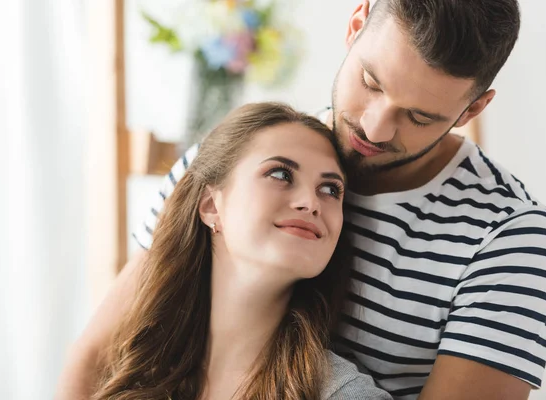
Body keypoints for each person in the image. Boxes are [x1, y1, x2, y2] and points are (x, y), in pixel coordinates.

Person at [56, 1, 546, 399]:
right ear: (356, 23)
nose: (375, 128)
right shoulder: (226, 161)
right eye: (370, 82)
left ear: (473, 108)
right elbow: (99, 358)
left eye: (419, 117)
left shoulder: (512, 239)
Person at [89, 102, 392, 400]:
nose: (310, 203)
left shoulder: (344, 394)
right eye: (281, 174)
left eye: (330, 190)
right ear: (210, 206)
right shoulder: (135, 366)